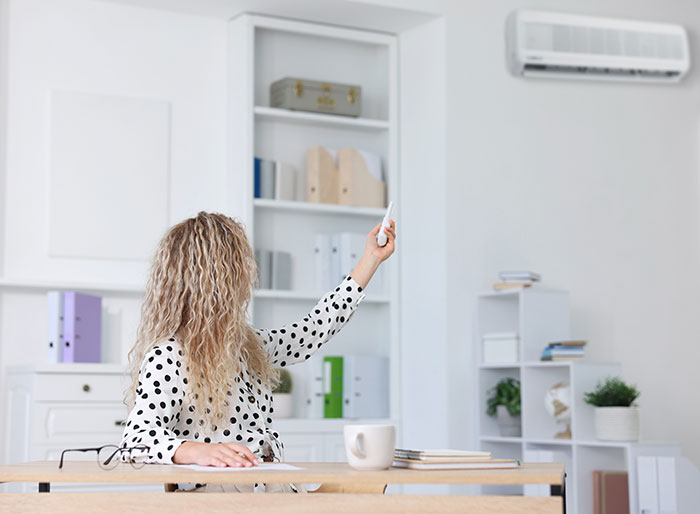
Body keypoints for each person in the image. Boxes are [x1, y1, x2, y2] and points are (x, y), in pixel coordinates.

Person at [121, 211, 396, 493]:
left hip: (275, 495)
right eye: (241, 263)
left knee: (367, 488)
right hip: (219, 502)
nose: (250, 272)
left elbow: (313, 330)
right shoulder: (170, 355)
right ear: (217, 280)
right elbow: (135, 440)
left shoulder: (247, 346)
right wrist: (194, 451)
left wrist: (371, 259)